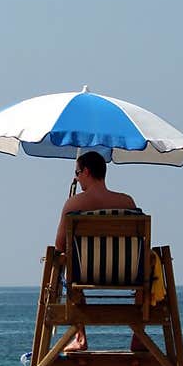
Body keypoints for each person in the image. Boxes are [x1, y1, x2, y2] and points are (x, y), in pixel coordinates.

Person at [54, 150, 142, 353]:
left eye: (77, 172)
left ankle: (80, 337)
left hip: (84, 275)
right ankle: (138, 335)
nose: (76, 177)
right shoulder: (127, 202)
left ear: (86, 172)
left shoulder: (75, 204)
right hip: (128, 274)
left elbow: (59, 245)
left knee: (67, 263)